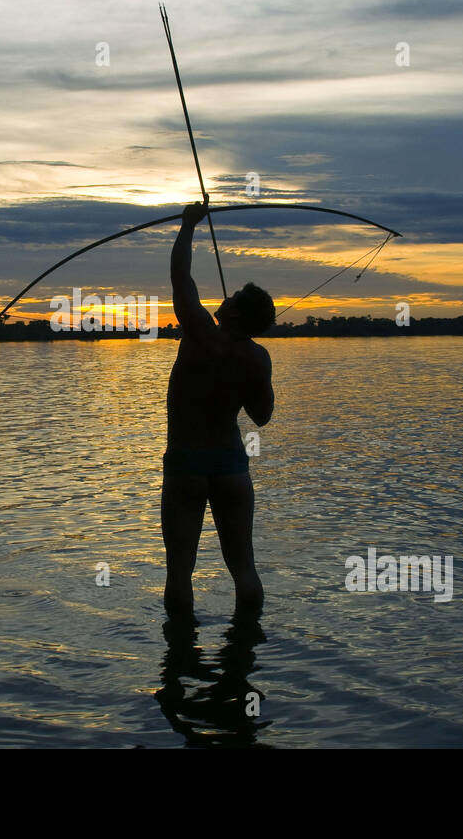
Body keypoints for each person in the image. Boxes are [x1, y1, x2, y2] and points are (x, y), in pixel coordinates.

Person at [162, 201, 275, 621]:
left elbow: (180, 276)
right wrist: (251, 370)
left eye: (232, 299)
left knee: (179, 573)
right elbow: (262, 416)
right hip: (230, 467)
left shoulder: (197, 332)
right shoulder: (257, 357)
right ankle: (244, 651)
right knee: (244, 568)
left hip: (186, 464)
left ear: (234, 313)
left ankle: (180, 657)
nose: (224, 299)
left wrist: (188, 225)